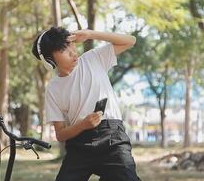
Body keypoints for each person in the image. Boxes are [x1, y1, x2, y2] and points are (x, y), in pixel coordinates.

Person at [32, 27, 141, 181]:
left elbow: (131, 41)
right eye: (63, 49)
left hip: (112, 138)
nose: (72, 52)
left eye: (71, 45)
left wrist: (91, 34)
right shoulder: (53, 89)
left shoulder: (94, 58)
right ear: (49, 61)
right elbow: (60, 134)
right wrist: (82, 125)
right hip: (79, 146)